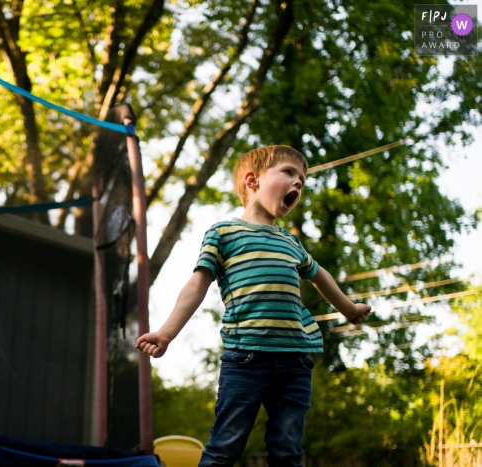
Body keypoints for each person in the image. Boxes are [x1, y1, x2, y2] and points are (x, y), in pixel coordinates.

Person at [135, 145, 370, 467]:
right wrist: (165, 333)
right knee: (225, 448)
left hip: (295, 361)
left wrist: (349, 309)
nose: (298, 183)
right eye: (289, 173)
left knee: (288, 452)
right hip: (246, 358)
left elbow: (320, 276)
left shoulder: (290, 242)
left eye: (302, 179)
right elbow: (196, 284)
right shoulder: (224, 233)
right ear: (252, 180)